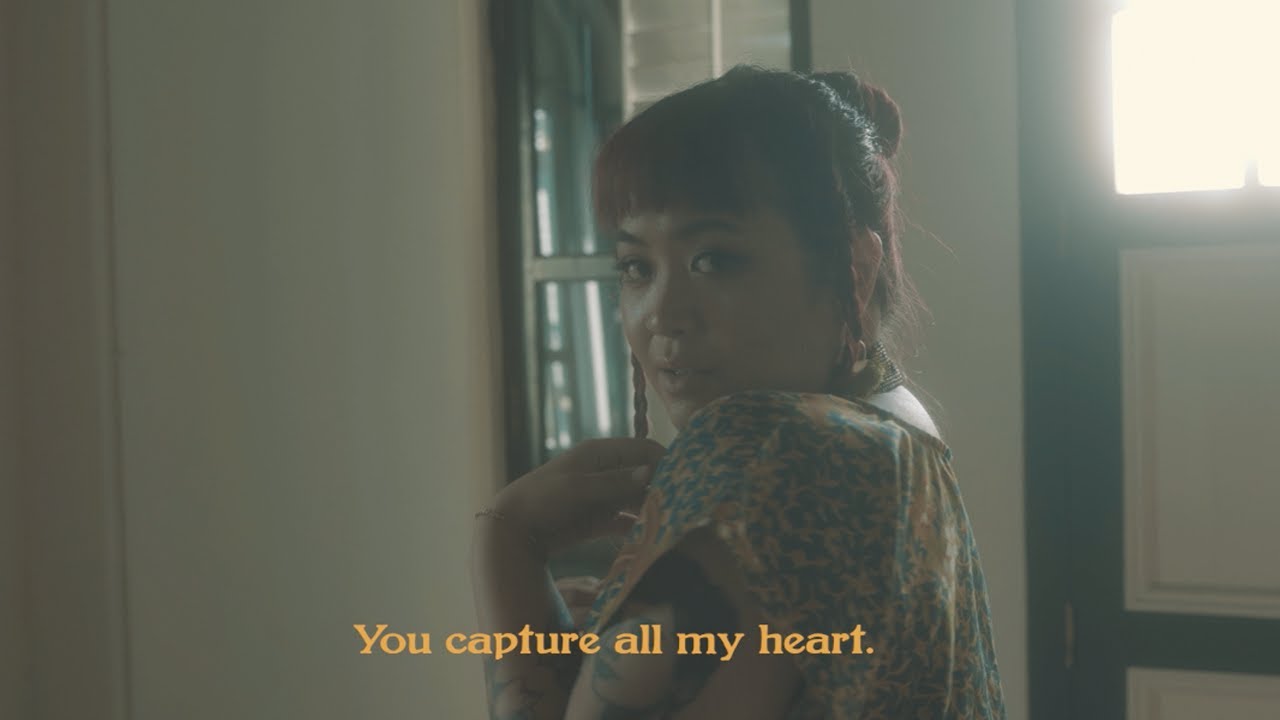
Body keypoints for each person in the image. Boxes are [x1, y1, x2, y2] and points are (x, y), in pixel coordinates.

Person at [471, 64, 1007, 719]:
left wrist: (507, 543)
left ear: (855, 269)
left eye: (714, 259)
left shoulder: (766, 446)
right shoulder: (899, 432)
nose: (662, 314)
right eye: (637, 267)